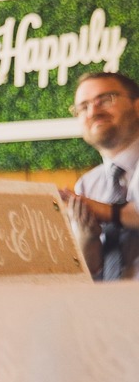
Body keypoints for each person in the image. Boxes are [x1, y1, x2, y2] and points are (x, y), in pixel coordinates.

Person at [64, 71, 139, 280]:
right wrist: (88, 239)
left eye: (105, 100)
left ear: (137, 106)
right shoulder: (87, 185)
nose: (93, 112)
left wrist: (105, 211)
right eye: (83, 107)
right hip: (106, 306)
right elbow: (89, 271)